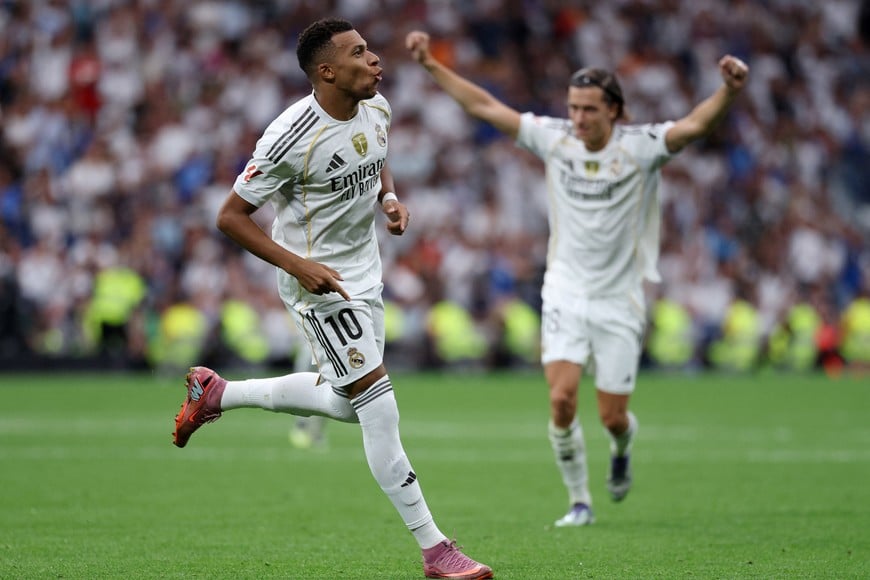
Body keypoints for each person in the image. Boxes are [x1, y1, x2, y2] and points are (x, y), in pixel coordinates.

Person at [172, 19, 492, 580]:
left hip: (365, 276)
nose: (374, 60)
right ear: (326, 71)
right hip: (314, 283)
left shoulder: (377, 107)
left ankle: (217, 392)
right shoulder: (289, 136)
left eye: (370, 50)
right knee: (379, 403)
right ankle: (436, 551)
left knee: (350, 405)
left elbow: (377, 154)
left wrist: (389, 198)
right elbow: (229, 217)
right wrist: (300, 266)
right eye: (359, 53)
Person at [406, 30, 749, 526]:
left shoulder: (640, 147)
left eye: (589, 109)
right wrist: (431, 66)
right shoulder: (555, 139)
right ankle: (579, 502)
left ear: (614, 110)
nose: (579, 118)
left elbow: (693, 126)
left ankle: (622, 446)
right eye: (573, 107)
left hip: (619, 298)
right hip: (565, 287)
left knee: (612, 416)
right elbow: (484, 106)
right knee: (562, 399)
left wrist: (729, 92)